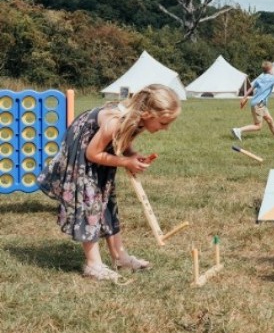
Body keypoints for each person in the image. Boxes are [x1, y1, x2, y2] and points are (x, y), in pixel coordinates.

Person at [38, 84, 182, 283]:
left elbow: (123, 138)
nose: (165, 129)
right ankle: (93, 264)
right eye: (164, 122)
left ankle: (120, 257)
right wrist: (125, 161)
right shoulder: (114, 122)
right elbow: (92, 153)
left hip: (99, 150)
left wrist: (131, 155)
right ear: (148, 113)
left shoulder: (136, 120)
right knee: (89, 204)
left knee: (106, 202)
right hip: (84, 153)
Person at [232, 60, 274, 141]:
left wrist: (244, 97)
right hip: (259, 104)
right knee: (258, 126)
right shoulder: (271, 78)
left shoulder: (260, 77)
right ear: (270, 70)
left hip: (259, 104)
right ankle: (238, 130)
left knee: (270, 120)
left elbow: (251, 88)